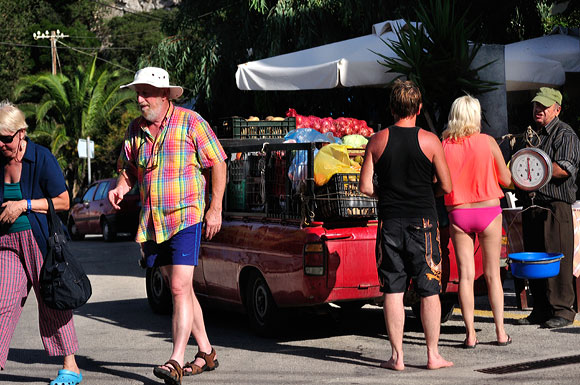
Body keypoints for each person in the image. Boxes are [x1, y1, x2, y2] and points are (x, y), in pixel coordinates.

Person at [109, 67, 227, 385]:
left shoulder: (191, 122)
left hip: (186, 216)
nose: (140, 99)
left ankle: (175, 359)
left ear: (164, 94)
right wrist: (122, 186)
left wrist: (214, 209)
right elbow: (129, 170)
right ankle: (206, 351)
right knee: (183, 289)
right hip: (153, 222)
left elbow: (218, 161)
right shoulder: (136, 130)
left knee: (177, 287)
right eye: (138, 92)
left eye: (146, 92)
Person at [359, 80, 453, 371]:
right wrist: (427, 193)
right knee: (429, 289)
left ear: (391, 108)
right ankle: (433, 355)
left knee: (393, 289)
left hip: (390, 223)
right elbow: (446, 185)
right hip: (424, 222)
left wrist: (386, 194)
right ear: (419, 108)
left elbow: (364, 186)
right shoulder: (430, 141)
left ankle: (397, 357)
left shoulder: (377, 140)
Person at [0, 101, 82, 385]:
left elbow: (63, 201)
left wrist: (24, 205)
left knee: (52, 302)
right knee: (2, 300)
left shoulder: (41, 157)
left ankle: (70, 367)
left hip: (39, 241)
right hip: (6, 242)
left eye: (6, 138)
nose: (1, 144)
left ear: (21, 133)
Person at [442, 95, 512, 348]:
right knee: (493, 274)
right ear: (476, 116)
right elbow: (506, 179)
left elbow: (439, 183)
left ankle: (470, 335)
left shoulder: (444, 145)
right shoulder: (487, 142)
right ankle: (501, 333)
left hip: (459, 212)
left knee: (466, 276)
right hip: (488, 211)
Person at [515, 87, 580, 328]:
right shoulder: (532, 134)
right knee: (536, 258)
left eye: (544, 106)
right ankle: (540, 309)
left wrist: (536, 166)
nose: (538, 109)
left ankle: (563, 311)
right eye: (536, 105)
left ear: (557, 109)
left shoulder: (566, 134)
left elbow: (565, 168)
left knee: (557, 257)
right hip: (532, 205)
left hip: (555, 206)